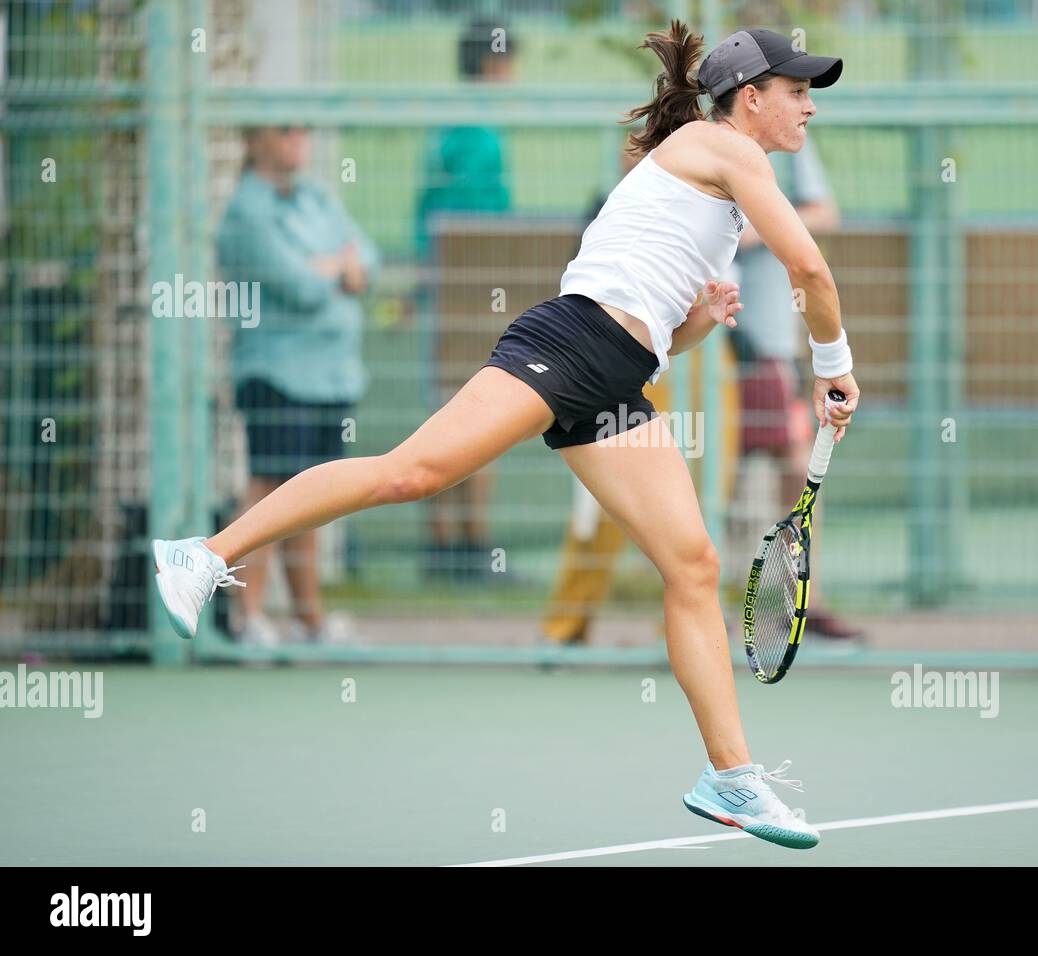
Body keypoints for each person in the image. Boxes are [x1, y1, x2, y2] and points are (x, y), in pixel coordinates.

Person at [154, 22, 857, 849]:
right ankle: (204, 553)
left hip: (615, 374)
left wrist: (694, 321)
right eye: (799, 91)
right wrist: (833, 365)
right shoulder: (725, 146)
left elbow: (657, 333)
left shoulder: (718, 186)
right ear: (752, 98)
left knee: (692, 563)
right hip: (566, 343)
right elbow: (809, 267)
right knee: (410, 474)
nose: (810, 107)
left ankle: (730, 779)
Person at [216, 124, 380, 647]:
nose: (298, 140)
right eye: (283, 131)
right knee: (267, 489)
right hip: (275, 374)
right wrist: (335, 268)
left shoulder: (315, 196)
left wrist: (332, 266)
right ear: (255, 140)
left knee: (311, 495)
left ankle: (309, 620)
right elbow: (299, 286)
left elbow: (369, 261)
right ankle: (248, 616)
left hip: (330, 375)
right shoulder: (246, 212)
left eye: (303, 130)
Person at [726, 133, 862, 640]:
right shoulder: (698, 144)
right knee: (717, 479)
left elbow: (825, 212)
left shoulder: (791, 147)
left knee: (795, 463)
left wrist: (763, 227)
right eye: (797, 91)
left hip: (769, 350)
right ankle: (718, 600)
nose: (807, 106)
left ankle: (804, 598)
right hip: (702, 348)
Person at [413, 17, 515, 579]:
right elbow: (479, 226)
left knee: (447, 413)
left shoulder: (447, 128)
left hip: (447, 289)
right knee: (483, 413)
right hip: (472, 293)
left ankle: (446, 544)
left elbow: (424, 213)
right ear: (495, 65)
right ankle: (471, 546)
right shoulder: (479, 134)